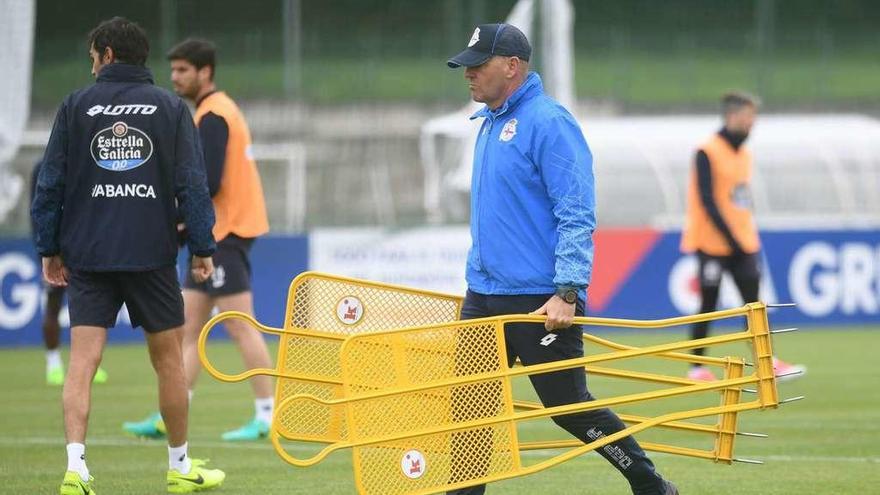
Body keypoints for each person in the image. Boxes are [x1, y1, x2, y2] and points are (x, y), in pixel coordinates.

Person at [445, 23, 677, 495]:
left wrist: (568, 290)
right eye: (466, 65)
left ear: (511, 66)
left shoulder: (549, 122)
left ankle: (652, 486)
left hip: (540, 297)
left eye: (478, 64)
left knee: (568, 407)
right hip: (483, 294)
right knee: (469, 409)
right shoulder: (488, 123)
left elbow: (576, 210)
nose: (468, 73)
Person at [31, 17, 225, 494]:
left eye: (93, 56)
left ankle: (76, 470)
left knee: (83, 363)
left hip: (90, 255)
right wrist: (202, 247)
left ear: (108, 55)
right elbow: (193, 184)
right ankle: (179, 468)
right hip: (151, 255)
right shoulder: (170, 108)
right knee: (168, 363)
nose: (92, 65)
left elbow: (49, 183)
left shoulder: (75, 105)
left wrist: (48, 247)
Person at [122, 38, 274, 442]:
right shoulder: (215, 110)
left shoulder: (214, 114)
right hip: (216, 234)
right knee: (186, 331)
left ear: (205, 72)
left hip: (223, 235)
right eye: (172, 70)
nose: (174, 78)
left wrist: (180, 222)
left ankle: (268, 417)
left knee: (240, 327)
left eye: (182, 70)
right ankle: (169, 415)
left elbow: (208, 181)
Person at [680, 92, 806, 382]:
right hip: (712, 242)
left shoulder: (745, 154)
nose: (752, 124)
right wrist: (731, 238)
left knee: (754, 305)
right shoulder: (707, 151)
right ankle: (696, 366)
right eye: (748, 118)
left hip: (743, 242)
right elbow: (708, 201)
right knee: (708, 303)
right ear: (732, 116)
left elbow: (739, 200)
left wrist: (743, 236)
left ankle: (767, 362)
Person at [30, 160, 109, 386]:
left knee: (93, 308)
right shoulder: (43, 166)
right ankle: (53, 363)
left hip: (85, 249)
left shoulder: (88, 162)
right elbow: (37, 209)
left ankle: (91, 361)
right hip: (56, 251)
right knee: (53, 304)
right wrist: (46, 249)